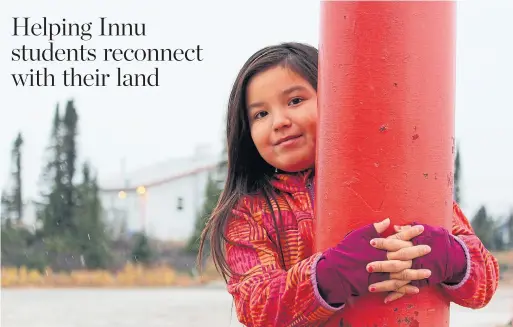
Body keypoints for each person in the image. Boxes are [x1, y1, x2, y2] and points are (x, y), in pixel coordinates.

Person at [198, 42, 499, 327]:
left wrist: (445, 255)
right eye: (260, 114)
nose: (279, 121)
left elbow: (484, 283)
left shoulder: (395, 178)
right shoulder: (249, 212)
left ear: (337, 100)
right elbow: (256, 306)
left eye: (295, 100)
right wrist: (337, 272)